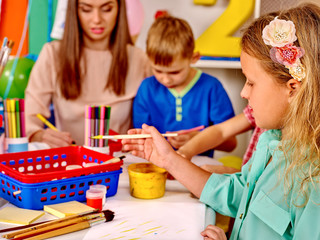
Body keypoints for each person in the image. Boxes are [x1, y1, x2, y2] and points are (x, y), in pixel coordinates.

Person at [122, 3, 320, 239]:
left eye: (251, 82)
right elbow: (240, 196)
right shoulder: (270, 140)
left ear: (293, 89)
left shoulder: (314, 179)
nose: (243, 93)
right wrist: (168, 159)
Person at [25, 0, 150, 148]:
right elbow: (28, 118)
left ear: (119, 9)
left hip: (120, 165)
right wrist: (38, 135)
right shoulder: (52, 55)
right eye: (86, 10)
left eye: (107, 9)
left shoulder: (140, 59)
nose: (96, 19)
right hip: (69, 165)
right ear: (74, 11)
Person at [133, 16, 236, 157]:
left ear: (193, 58)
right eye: (157, 70)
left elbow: (231, 144)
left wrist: (197, 138)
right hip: (156, 167)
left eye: (174, 72)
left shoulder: (212, 88)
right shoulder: (147, 88)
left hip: (198, 168)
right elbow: (140, 138)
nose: (165, 79)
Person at [178, 104, 266, 173]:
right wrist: (185, 152)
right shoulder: (259, 109)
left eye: (251, 84)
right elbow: (221, 131)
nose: (243, 93)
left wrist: (234, 176)